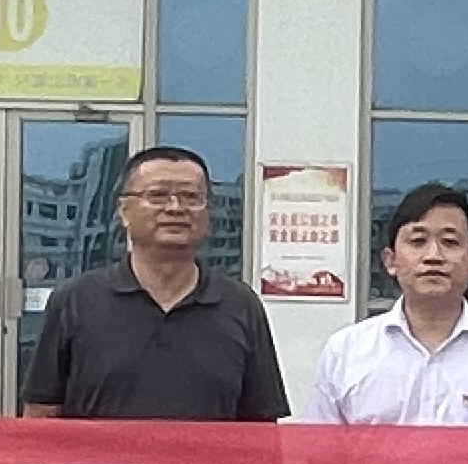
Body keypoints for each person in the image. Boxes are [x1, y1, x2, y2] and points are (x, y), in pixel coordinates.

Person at [21, 142, 289, 423]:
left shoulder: (240, 305)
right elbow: (41, 414)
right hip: (104, 455)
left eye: (191, 197)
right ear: (124, 211)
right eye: (158, 195)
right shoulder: (75, 301)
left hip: (207, 456)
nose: (175, 208)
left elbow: (261, 425)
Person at [310, 181, 468, 425]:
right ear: (390, 260)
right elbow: (317, 445)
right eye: (417, 241)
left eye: (450, 242)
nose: (433, 256)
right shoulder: (344, 352)